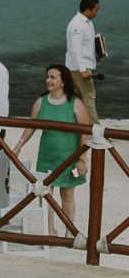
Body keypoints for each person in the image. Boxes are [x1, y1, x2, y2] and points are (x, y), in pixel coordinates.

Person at [13, 65, 90, 237]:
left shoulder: (76, 103)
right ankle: (50, 231)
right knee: (46, 196)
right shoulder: (41, 102)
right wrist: (19, 146)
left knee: (67, 195)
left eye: (53, 77)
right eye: (47, 76)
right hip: (46, 157)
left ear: (63, 81)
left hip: (70, 157)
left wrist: (82, 159)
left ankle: (70, 232)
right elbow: (30, 127)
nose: (49, 80)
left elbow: (86, 132)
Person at [65, 0, 100, 124]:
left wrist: (96, 58)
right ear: (88, 9)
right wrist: (82, 69)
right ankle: (96, 130)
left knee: (77, 97)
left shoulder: (87, 23)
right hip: (78, 68)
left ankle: (79, 126)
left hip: (81, 66)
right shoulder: (77, 25)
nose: (97, 13)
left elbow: (86, 46)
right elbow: (75, 49)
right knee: (89, 96)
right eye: (96, 10)